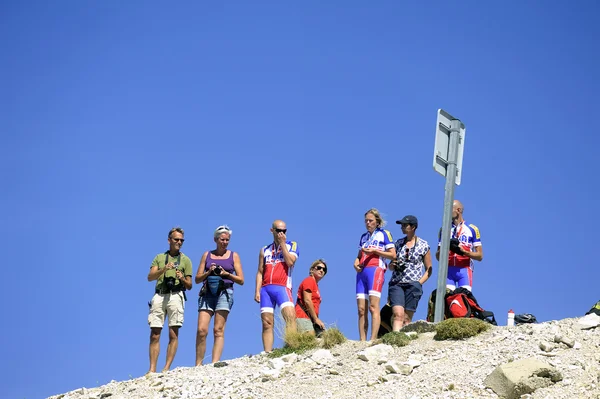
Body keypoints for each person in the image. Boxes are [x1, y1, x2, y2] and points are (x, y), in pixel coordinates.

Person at [195, 225, 244, 366]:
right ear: (215, 239)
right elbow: (197, 279)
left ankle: (214, 362)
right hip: (207, 292)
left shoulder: (234, 255)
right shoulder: (207, 255)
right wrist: (208, 272)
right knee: (201, 330)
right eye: (222, 239)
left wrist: (226, 274)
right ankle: (198, 363)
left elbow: (241, 280)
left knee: (218, 329)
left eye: (227, 240)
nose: (225, 242)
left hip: (225, 292)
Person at [146, 227, 193, 374]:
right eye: (176, 239)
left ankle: (166, 368)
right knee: (155, 333)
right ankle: (152, 369)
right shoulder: (159, 257)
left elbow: (190, 285)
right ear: (169, 240)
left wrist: (182, 278)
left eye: (181, 240)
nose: (179, 242)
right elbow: (150, 277)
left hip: (176, 295)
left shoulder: (186, 260)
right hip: (160, 295)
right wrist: (164, 269)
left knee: (173, 333)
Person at [255, 220, 299, 352]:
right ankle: (268, 352)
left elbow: (290, 262)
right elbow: (260, 272)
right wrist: (257, 290)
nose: (281, 233)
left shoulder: (292, 245)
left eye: (284, 231)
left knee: (290, 317)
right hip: (266, 289)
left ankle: (292, 347)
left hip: (283, 287)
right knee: (267, 322)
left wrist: (283, 245)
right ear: (272, 231)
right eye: (278, 230)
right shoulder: (264, 250)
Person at [354, 208, 396, 341]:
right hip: (362, 273)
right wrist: (355, 263)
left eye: (371, 220)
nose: (368, 223)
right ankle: (362, 340)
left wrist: (375, 251)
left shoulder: (384, 234)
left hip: (376, 270)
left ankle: (373, 339)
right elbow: (359, 254)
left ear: (377, 222)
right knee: (361, 309)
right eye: (366, 220)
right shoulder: (364, 237)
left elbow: (393, 255)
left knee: (373, 306)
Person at [388, 215, 433, 330]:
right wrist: (393, 265)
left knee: (407, 318)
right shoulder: (398, 244)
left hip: (413, 284)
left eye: (405, 225)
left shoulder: (423, 245)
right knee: (398, 314)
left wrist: (418, 283)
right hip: (397, 283)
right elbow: (391, 265)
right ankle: (395, 339)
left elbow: (429, 269)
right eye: (401, 225)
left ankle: (404, 342)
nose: (402, 227)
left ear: (413, 227)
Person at [435, 200, 483, 291]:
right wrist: (446, 247)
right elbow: (438, 257)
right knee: (447, 300)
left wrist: (464, 252)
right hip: (448, 269)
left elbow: (480, 256)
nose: (447, 212)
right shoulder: (444, 229)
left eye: (450, 209)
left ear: (458, 210)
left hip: (464, 269)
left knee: (463, 299)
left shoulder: (472, 228)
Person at [295, 259, 327, 336]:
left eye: (324, 269)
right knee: (310, 338)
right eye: (319, 268)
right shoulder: (309, 281)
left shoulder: (316, 285)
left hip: (310, 318)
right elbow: (307, 300)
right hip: (302, 316)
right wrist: (316, 319)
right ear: (312, 270)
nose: (322, 270)